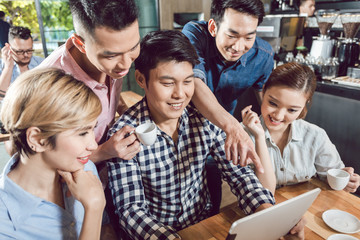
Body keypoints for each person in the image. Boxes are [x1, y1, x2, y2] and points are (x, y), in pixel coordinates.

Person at [106, 30, 306, 240]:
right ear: (141, 79)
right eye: (167, 83)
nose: (180, 94)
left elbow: (238, 175)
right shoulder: (124, 135)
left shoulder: (202, 118)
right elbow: (131, 210)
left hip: (204, 225)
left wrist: (268, 213)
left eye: (187, 81)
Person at [182, 0, 274, 213]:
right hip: (185, 128)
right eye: (232, 35)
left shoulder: (264, 56)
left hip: (219, 135)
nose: (239, 47)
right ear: (213, 27)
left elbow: (267, 101)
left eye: (249, 37)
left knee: (214, 191)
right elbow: (195, 83)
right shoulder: (194, 34)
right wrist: (233, 127)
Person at [0, 68, 105, 239]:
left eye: (93, 129)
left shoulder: (86, 169)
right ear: (37, 139)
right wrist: (94, 207)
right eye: (82, 133)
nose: (93, 145)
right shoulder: (3, 222)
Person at [241, 62, 360, 193]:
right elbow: (263, 192)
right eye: (273, 103)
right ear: (263, 91)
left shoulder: (315, 135)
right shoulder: (242, 135)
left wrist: (346, 181)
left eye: (292, 110)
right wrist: (259, 137)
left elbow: (330, 176)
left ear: (304, 106)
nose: (279, 116)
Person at [0, 26, 43, 95]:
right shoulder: (1, 67)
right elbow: (1, 98)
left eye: (29, 50)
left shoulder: (42, 63)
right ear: (8, 47)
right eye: (20, 51)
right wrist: (8, 67)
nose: (26, 55)